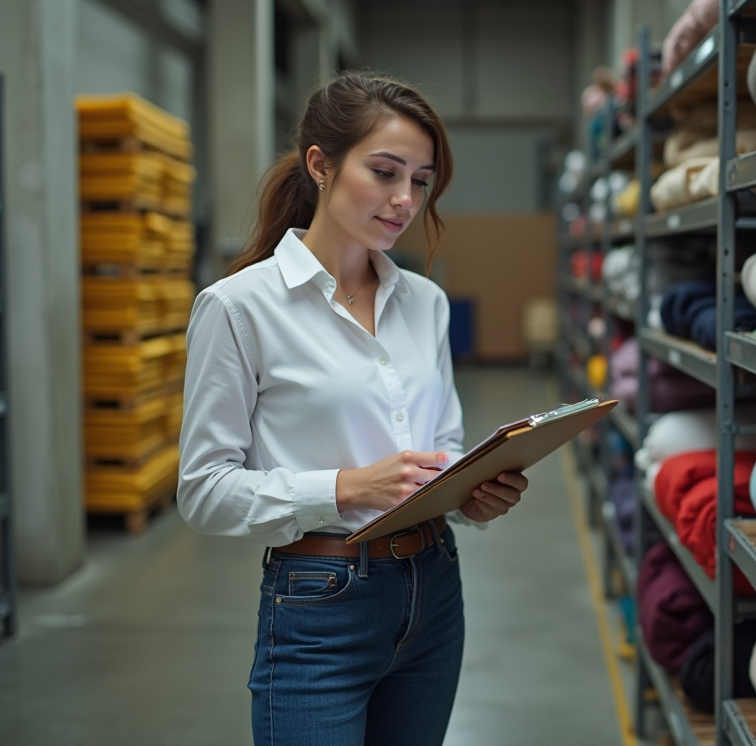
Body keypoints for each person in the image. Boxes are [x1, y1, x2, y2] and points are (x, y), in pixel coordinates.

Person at [177, 72, 529, 746]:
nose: (405, 201)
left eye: (420, 181)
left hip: (435, 588)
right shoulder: (239, 307)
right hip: (320, 602)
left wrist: (471, 494)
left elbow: (443, 446)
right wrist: (345, 488)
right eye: (385, 173)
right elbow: (203, 491)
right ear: (321, 165)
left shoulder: (425, 302)